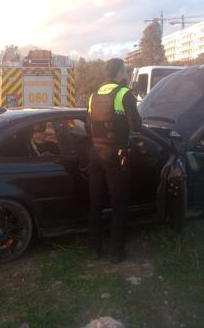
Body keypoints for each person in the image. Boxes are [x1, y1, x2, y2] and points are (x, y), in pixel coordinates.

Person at [87, 58, 141, 262]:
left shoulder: (93, 95)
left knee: (96, 203)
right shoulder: (125, 93)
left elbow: (87, 125)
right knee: (119, 204)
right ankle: (116, 252)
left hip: (95, 154)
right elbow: (136, 126)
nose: (125, 73)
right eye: (124, 70)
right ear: (120, 72)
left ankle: (94, 249)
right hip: (115, 155)